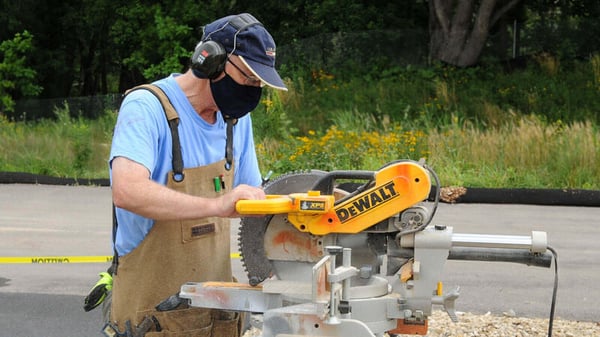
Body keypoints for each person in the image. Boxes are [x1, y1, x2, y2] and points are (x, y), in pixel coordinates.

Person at [104, 13, 287, 337]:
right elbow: (128, 191)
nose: (253, 90)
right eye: (248, 78)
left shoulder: (235, 120)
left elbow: (257, 196)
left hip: (216, 319)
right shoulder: (147, 107)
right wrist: (216, 205)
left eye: (259, 83)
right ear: (210, 60)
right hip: (153, 319)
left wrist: (315, 210)